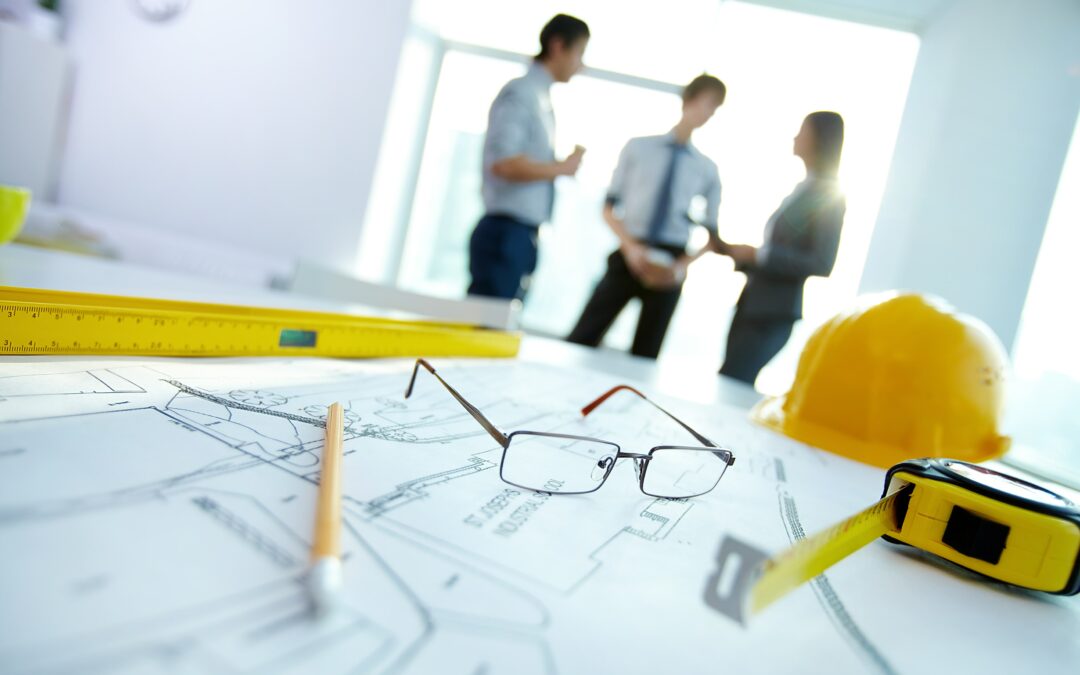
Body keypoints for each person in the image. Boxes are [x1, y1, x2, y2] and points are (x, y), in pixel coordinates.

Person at [565, 75, 726, 359]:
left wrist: (681, 267)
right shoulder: (638, 148)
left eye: (715, 110)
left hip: (671, 264)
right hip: (630, 251)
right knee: (582, 337)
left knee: (646, 355)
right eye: (708, 104)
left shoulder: (708, 169)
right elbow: (608, 207)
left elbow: (713, 236)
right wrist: (631, 249)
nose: (709, 114)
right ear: (689, 99)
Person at [716, 111, 846, 385]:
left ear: (819, 139)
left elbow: (822, 262)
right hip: (753, 304)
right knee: (728, 380)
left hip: (772, 313)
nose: (796, 136)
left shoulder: (829, 195)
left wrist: (761, 254)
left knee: (732, 383)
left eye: (803, 130)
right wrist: (743, 255)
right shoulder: (804, 188)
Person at [467, 14, 590, 301]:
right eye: (579, 53)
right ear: (558, 46)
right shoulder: (522, 93)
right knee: (487, 331)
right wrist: (560, 168)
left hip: (519, 235)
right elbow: (505, 164)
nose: (581, 65)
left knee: (498, 330)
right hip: (504, 234)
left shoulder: (539, 97)